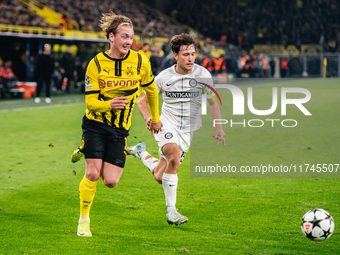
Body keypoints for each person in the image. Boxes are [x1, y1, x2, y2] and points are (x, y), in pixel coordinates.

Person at [75, 11, 162, 237]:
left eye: (131, 37)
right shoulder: (95, 64)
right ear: (111, 37)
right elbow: (90, 102)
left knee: (110, 182)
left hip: (120, 129)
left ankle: (96, 148)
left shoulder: (141, 61)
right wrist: (109, 105)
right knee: (93, 174)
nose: (128, 41)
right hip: (95, 123)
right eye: (124, 36)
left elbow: (151, 91)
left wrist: (154, 118)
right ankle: (84, 220)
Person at [127, 33, 225, 226]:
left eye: (192, 54)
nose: (190, 58)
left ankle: (141, 153)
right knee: (174, 156)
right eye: (186, 54)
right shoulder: (164, 77)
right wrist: (149, 119)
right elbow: (142, 102)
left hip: (187, 130)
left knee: (160, 176)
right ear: (175, 55)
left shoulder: (203, 75)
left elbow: (213, 102)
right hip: (165, 124)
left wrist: (219, 127)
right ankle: (172, 212)